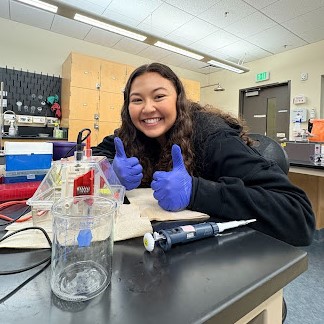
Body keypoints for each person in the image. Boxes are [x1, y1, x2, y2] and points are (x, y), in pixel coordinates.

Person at [92, 62, 315, 246]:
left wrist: (196, 192)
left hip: (221, 258)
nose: (147, 108)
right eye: (137, 100)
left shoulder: (213, 137)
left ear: (179, 100)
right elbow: (94, 154)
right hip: (161, 249)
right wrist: (110, 169)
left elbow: (299, 216)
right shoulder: (132, 133)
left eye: (159, 97)